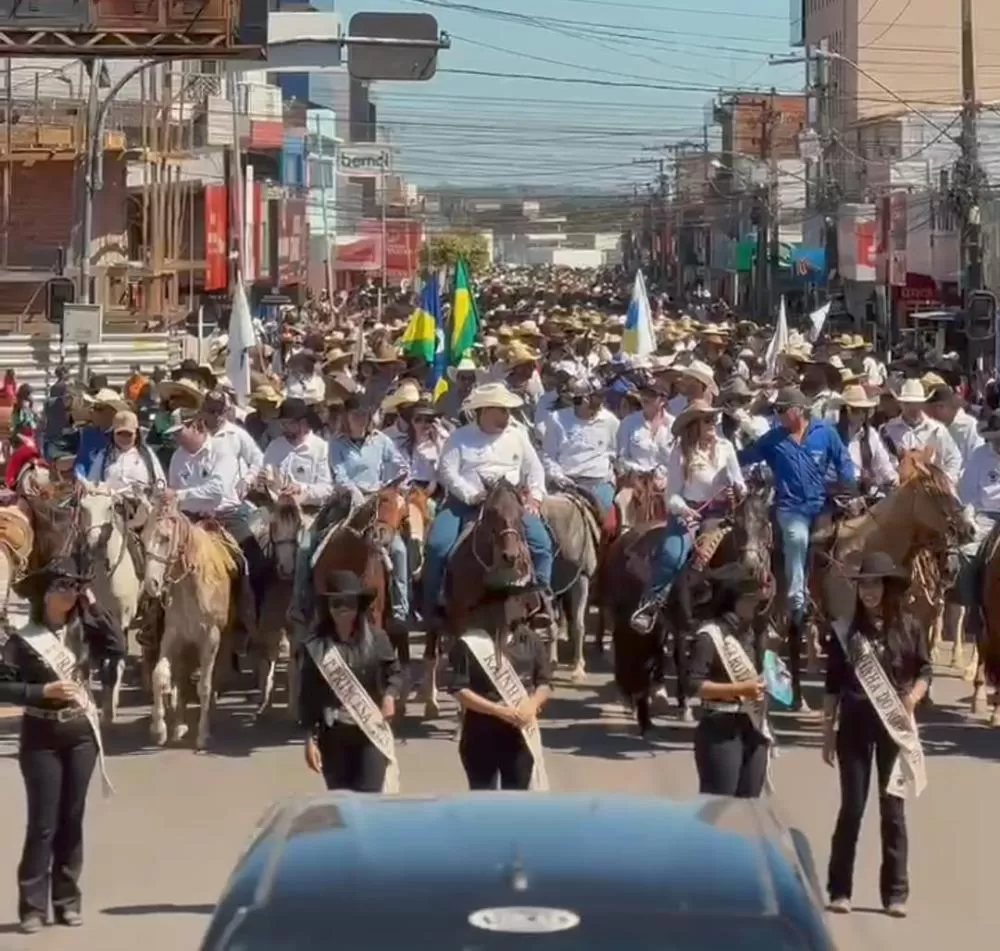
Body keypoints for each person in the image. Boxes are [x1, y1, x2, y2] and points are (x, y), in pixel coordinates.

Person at [0, 555, 126, 933]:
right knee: (43, 824)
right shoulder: (23, 640)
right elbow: (3, 686)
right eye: (63, 586)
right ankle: (32, 907)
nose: (71, 594)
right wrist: (42, 691)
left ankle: (67, 901)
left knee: (72, 819)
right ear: (44, 594)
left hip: (80, 735)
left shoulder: (85, 631)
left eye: (75, 586)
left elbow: (118, 646)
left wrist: (94, 605)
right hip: (41, 737)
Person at [823, 551, 931, 918]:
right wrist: (827, 732)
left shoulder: (910, 627)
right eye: (863, 585)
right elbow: (832, 685)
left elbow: (925, 671)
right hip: (853, 725)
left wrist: (912, 699)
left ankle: (895, 894)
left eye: (875, 584)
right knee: (852, 809)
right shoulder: (846, 631)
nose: (869, 591)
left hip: (893, 728)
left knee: (893, 811)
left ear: (888, 587)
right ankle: (840, 889)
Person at [738, 387, 857, 710]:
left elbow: (843, 461)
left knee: (848, 539)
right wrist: (728, 457)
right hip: (790, 508)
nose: (778, 416)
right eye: (776, 411)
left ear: (798, 410)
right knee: (797, 538)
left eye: (782, 410)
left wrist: (848, 483)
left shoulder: (825, 433)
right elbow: (745, 457)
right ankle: (796, 593)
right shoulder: (774, 439)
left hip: (823, 505)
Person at [424, 383, 554, 618]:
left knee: (542, 545)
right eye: (502, 410)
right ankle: (434, 603)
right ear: (485, 410)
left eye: (508, 410)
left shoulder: (518, 435)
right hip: (465, 504)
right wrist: (471, 494)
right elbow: (447, 471)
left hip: (510, 506)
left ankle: (541, 597)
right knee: (438, 546)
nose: (508, 415)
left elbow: (535, 469)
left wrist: (535, 497)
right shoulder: (460, 437)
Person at [633, 399, 745, 632]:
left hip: (722, 513)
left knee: (750, 548)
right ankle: (651, 603)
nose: (713, 423)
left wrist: (736, 489)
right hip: (689, 512)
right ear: (694, 425)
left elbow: (740, 484)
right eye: (707, 420)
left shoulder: (726, 447)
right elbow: (672, 495)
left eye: (714, 419)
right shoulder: (681, 452)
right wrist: (684, 510)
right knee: (672, 554)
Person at [298, 571, 401, 792]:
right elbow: (308, 696)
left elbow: (394, 673)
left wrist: (390, 696)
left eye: (349, 603)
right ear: (327, 607)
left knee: (370, 799)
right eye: (336, 603)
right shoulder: (317, 647)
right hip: (333, 736)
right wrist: (309, 740)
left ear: (359, 605)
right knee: (342, 802)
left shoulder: (378, 639)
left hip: (369, 732)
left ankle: (404, 603)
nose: (342, 609)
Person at [448, 573, 553, 790]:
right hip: (481, 734)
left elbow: (544, 682)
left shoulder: (531, 639)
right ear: (498, 605)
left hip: (519, 735)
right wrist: (499, 711)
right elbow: (460, 690)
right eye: (517, 599)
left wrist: (532, 704)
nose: (524, 604)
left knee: (516, 802)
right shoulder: (470, 643)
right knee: (483, 800)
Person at [687, 564, 770, 797]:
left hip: (753, 726)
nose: (755, 604)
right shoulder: (709, 636)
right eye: (750, 599)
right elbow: (694, 685)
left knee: (750, 805)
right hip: (720, 728)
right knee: (719, 808)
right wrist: (740, 689)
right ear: (733, 600)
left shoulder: (751, 633)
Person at [541, 376, 619, 520]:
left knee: (610, 519)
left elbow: (616, 454)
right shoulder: (557, 419)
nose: (603, 400)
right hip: (566, 482)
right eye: (598, 397)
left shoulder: (610, 421)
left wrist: (611, 476)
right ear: (585, 399)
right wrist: (558, 477)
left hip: (598, 482)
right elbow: (548, 456)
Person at [881, 379, 962, 485]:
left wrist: (944, 482)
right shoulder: (888, 430)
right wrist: (895, 480)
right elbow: (883, 463)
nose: (913, 408)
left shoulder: (936, 430)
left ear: (923, 404)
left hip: (931, 489)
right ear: (900, 404)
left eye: (916, 403)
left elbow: (954, 458)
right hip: (900, 489)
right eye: (908, 403)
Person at [833, 385, 898, 495]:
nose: (862, 414)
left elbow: (883, 464)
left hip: (867, 493)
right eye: (856, 410)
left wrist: (892, 478)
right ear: (845, 411)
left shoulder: (870, 434)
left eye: (864, 410)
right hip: (841, 494)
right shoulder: (833, 435)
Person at [87, 409, 165, 492]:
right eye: (120, 433)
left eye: (129, 434)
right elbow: (92, 483)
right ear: (113, 433)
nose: (124, 438)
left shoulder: (147, 454)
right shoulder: (104, 455)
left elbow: (161, 483)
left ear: (136, 434)